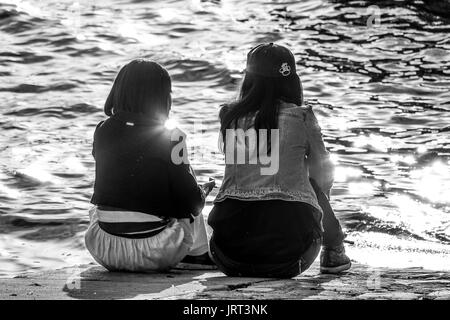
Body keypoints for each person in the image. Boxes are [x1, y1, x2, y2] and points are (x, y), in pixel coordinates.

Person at [208, 43, 351, 278]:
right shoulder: (302, 117)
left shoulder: (229, 117)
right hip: (289, 258)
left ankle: (331, 245)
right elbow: (323, 177)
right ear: (291, 80)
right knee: (312, 181)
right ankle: (333, 250)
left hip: (227, 255)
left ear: (249, 79)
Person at [85, 59, 215, 272]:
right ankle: (199, 257)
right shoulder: (172, 136)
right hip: (155, 251)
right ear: (161, 98)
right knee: (188, 190)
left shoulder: (102, 130)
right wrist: (203, 192)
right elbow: (191, 203)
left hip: (103, 247)